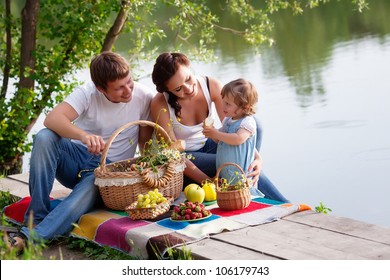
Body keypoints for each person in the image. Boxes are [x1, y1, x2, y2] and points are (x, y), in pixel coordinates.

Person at [7, 51, 154, 253]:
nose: (128, 90)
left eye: (129, 82)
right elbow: (52, 119)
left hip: (109, 174)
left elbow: (145, 142)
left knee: (90, 185)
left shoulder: (144, 96)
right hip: (76, 161)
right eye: (119, 88)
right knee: (45, 137)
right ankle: (36, 216)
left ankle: (30, 237)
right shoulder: (87, 93)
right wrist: (83, 136)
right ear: (101, 88)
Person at [150, 52, 289, 202]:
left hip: (209, 144)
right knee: (235, 165)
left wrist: (257, 159)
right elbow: (174, 156)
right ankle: (285, 205)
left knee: (254, 124)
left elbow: (234, 127)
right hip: (187, 160)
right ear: (167, 90)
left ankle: (247, 186)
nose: (188, 88)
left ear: (189, 65)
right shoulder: (160, 103)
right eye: (178, 89)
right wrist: (209, 183)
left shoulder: (211, 85)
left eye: (188, 79)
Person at [202, 78, 264, 196]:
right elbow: (220, 140)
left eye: (228, 104)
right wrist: (211, 133)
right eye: (223, 101)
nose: (223, 106)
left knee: (247, 196)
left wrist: (216, 133)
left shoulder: (247, 123)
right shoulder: (228, 120)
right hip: (226, 171)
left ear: (245, 107)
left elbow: (237, 139)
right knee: (231, 195)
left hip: (241, 173)